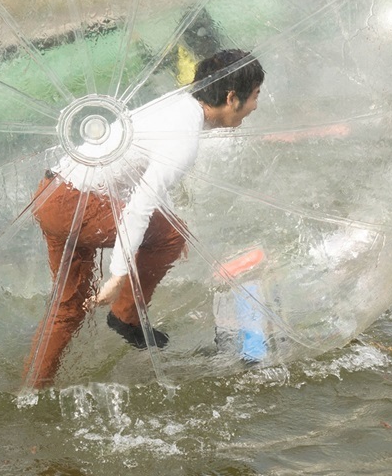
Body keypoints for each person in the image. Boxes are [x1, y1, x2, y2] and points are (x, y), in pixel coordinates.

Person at [23, 49, 265, 388]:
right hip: (74, 203)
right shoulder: (184, 136)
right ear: (231, 97)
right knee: (171, 236)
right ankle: (126, 318)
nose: (255, 106)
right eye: (254, 97)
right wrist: (118, 275)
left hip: (50, 193)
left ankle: (33, 390)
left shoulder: (177, 106)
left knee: (68, 308)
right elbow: (139, 205)